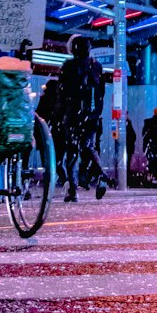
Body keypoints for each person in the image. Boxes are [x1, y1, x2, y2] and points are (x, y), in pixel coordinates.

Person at [59, 34, 107, 203]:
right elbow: (101, 91)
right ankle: (102, 174)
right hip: (92, 115)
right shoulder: (97, 66)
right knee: (89, 147)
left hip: (73, 115)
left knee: (72, 151)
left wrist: (61, 114)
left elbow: (62, 92)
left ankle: (73, 189)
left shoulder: (69, 66)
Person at [37, 76, 66, 185]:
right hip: (59, 135)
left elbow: (39, 116)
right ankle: (66, 184)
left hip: (46, 135)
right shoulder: (62, 101)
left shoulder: (44, 100)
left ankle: (50, 182)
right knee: (58, 163)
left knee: (47, 163)